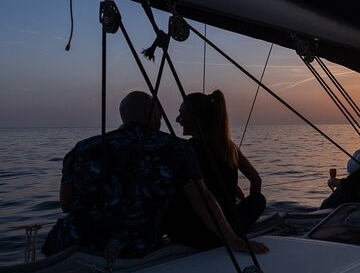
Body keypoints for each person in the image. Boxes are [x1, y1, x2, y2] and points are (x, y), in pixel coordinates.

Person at [42, 91, 268, 258]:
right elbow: (202, 197)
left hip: (75, 242)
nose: (165, 120)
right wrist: (233, 240)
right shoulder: (178, 148)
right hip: (135, 247)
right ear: (147, 114)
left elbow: (66, 205)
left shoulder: (82, 148)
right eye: (160, 115)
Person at [162, 90, 266, 249]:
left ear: (198, 120)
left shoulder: (186, 149)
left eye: (182, 115)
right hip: (230, 229)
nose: (177, 120)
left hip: (192, 234)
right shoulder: (229, 148)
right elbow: (256, 180)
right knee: (258, 200)